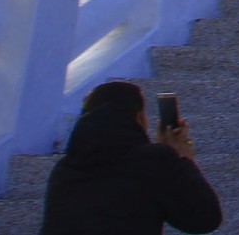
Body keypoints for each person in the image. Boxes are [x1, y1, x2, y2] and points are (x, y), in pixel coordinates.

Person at [38, 80, 221, 235]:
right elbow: (205, 219)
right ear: (139, 118)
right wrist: (182, 160)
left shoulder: (64, 169)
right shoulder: (155, 160)